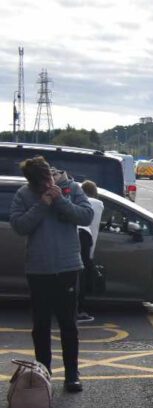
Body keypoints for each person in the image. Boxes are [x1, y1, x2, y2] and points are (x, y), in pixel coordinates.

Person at [8, 156, 95, 393]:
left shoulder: (71, 188)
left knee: (68, 324)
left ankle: (72, 374)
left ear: (51, 172)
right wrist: (42, 203)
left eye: (48, 178)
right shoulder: (24, 195)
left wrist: (60, 201)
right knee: (41, 325)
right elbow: (19, 226)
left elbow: (86, 216)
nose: (47, 184)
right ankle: (43, 372)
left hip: (68, 267)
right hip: (38, 269)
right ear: (32, 182)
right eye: (41, 182)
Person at [76, 180, 104, 323]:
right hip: (85, 239)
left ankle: (75, 308)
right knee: (82, 277)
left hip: (74, 238)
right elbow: (95, 228)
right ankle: (79, 311)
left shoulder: (77, 201)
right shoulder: (98, 204)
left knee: (75, 276)